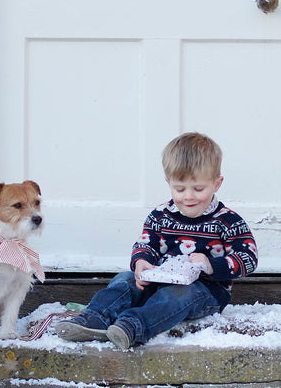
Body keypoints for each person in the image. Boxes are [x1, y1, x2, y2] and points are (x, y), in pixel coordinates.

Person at [56, 132, 258, 350]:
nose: (188, 196)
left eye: (198, 189)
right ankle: (94, 318)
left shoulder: (227, 221)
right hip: (159, 280)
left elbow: (248, 257)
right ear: (168, 182)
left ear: (216, 184)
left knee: (178, 295)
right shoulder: (161, 215)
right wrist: (141, 261)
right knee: (124, 280)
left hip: (205, 292)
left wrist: (211, 265)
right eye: (179, 188)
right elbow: (146, 243)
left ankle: (134, 326)